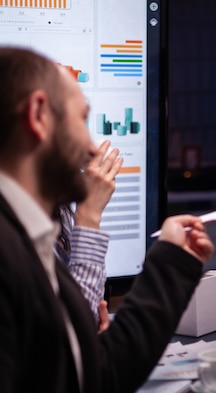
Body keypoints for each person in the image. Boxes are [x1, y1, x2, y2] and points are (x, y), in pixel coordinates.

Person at [0, 46, 214, 393]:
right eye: (81, 119)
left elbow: (92, 377)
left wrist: (171, 263)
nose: (92, 148)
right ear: (38, 115)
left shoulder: (31, 234)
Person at [54, 139, 123, 331]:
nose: (92, 148)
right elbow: (73, 332)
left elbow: (86, 318)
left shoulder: (59, 210)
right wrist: (89, 216)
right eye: (81, 118)